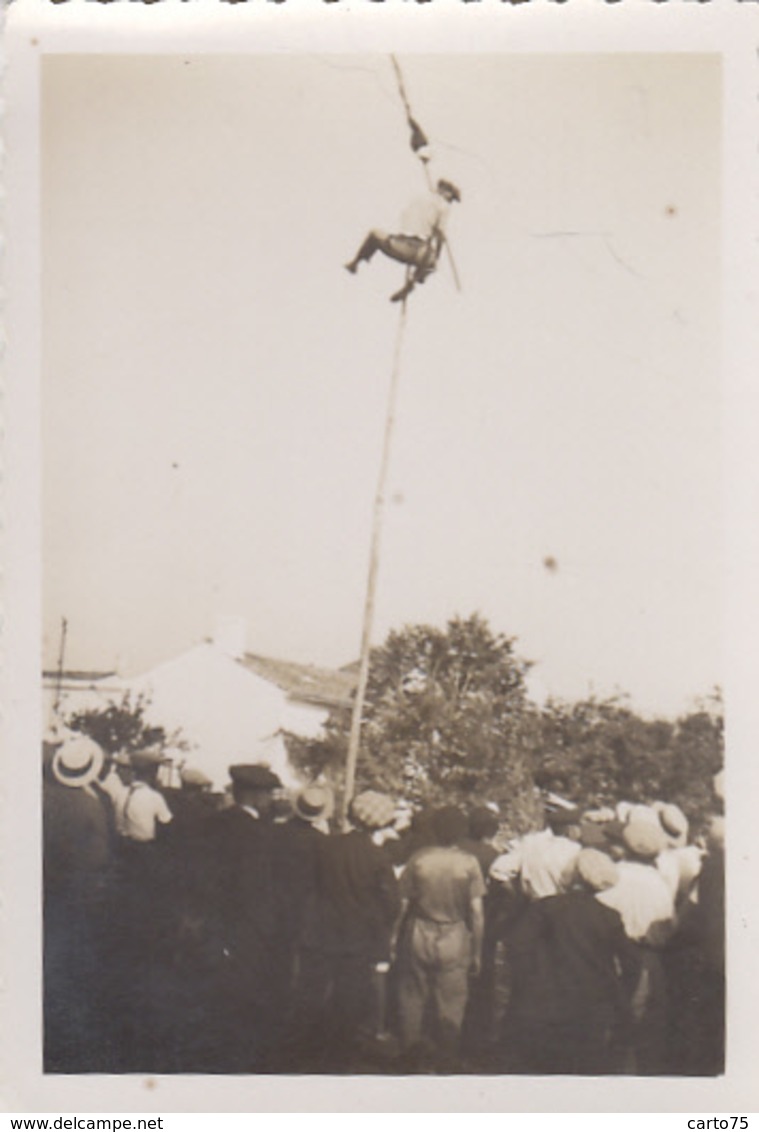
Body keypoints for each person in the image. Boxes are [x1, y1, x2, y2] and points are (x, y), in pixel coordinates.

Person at [501, 848, 639, 1075]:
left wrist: (529, 982)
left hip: (544, 1005)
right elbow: (632, 964)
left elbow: (517, 945)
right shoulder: (608, 916)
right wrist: (617, 995)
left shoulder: (546, 907)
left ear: (573, 874)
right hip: (591, 1009)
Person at [294, 789, 401, 1072]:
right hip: (357, 940)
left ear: (352, 814)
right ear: (380, 823)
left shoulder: (326, 846)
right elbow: (392, 904)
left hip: (321, 934)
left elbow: (310, 886)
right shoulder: (378, 857)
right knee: (348, 1000)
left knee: (314, 993)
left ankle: (307, 1051)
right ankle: (338, 1058)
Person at [392, 806, 485, 1068]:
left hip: (420, 930)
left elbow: (403, 903)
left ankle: (410, 1055)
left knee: (412, 995)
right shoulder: (469, 863)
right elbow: (477, 913)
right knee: (452, 1002)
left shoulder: (419, 859)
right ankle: (446, 1058)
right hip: (455, 933)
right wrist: (477, 951)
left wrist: (393, 936)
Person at [43, 735, 113, 1071]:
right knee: (75, 958)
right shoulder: (90, 806)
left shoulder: (43, 798)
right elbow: (99, 855)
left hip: (45, 886)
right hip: (77, 891)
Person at [345, 178, 461, 303]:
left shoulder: (420, 196)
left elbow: (411, 218)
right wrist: (437, 254)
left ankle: (355, 262)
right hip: (416, 251)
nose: (451, 202)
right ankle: (414, 280)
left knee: (374, 234)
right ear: (446, 192)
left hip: (397, 244)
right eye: (451, 198)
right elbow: (440, 234)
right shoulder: (444, 206)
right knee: (432, 263)